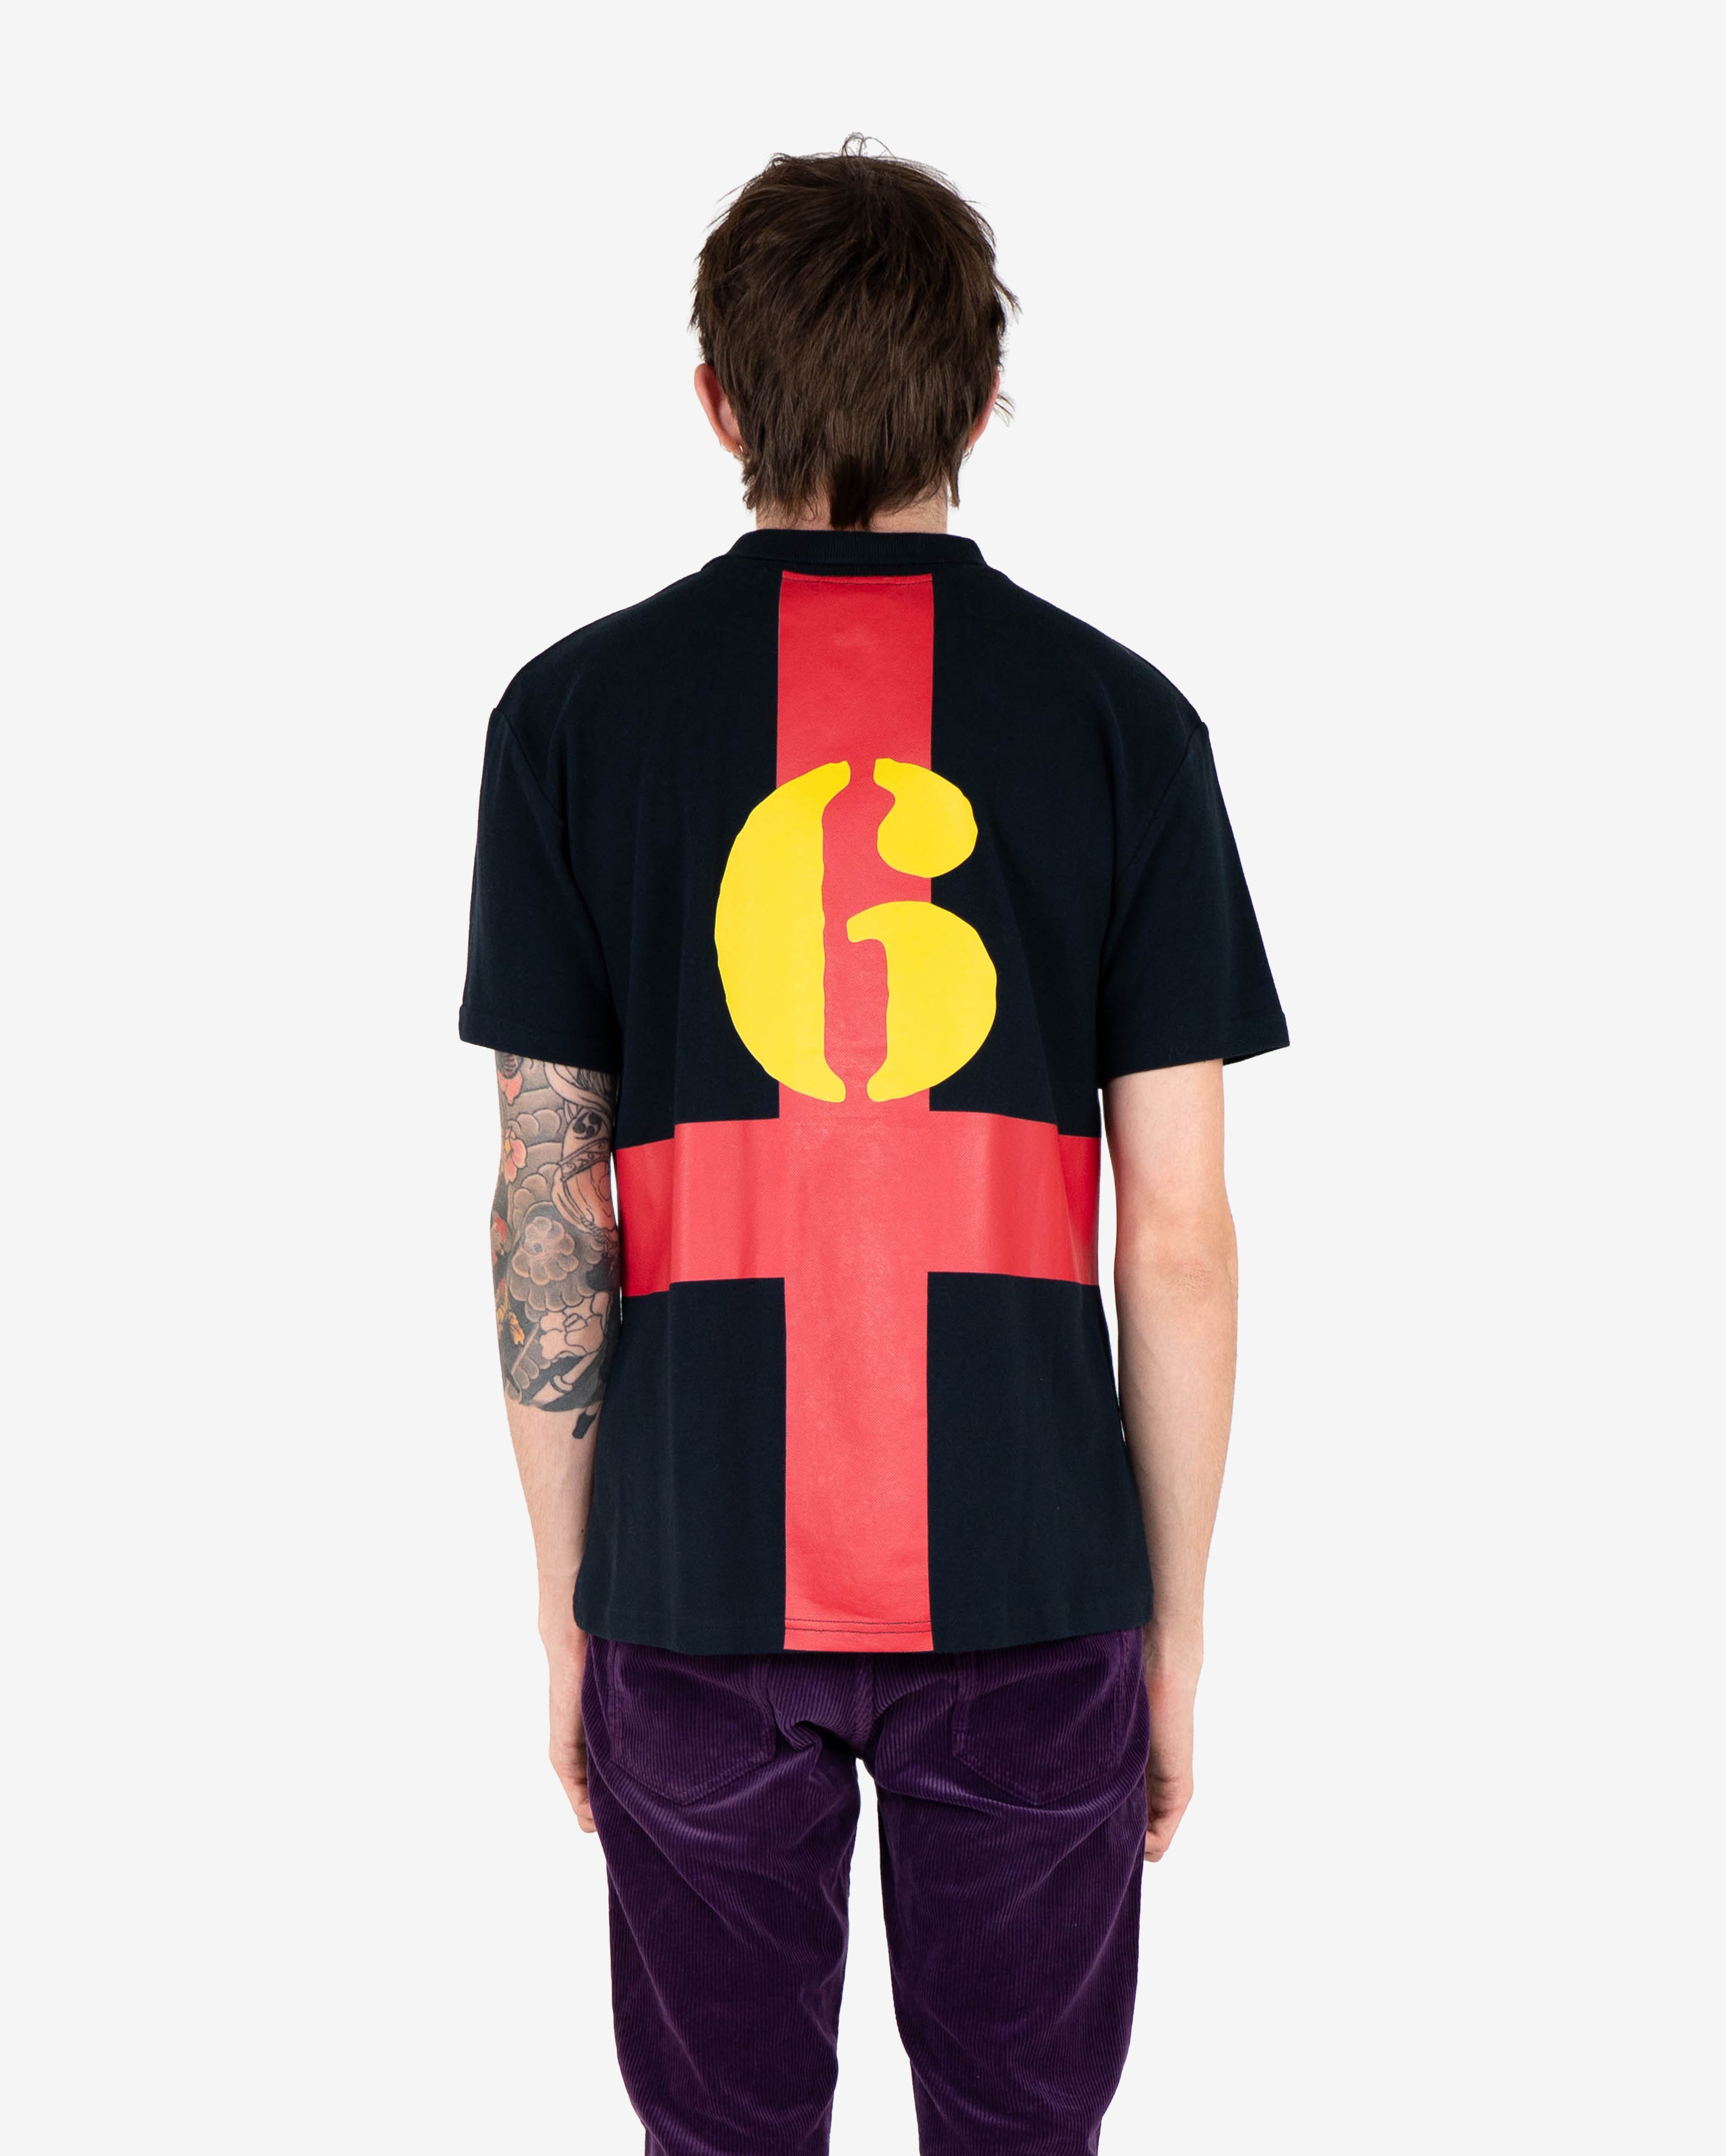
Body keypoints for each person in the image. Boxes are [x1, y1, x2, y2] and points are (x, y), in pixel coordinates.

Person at [460, 140, 1286, 2156]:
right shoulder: (1123, 727)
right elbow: (1175, 1234)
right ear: (984, 398)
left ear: (714, 403)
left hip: (687, 1573)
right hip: (1035, 1574)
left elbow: (548, 1205)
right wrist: (1172, 1629)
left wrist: (571, 1601)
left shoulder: (568, 720)